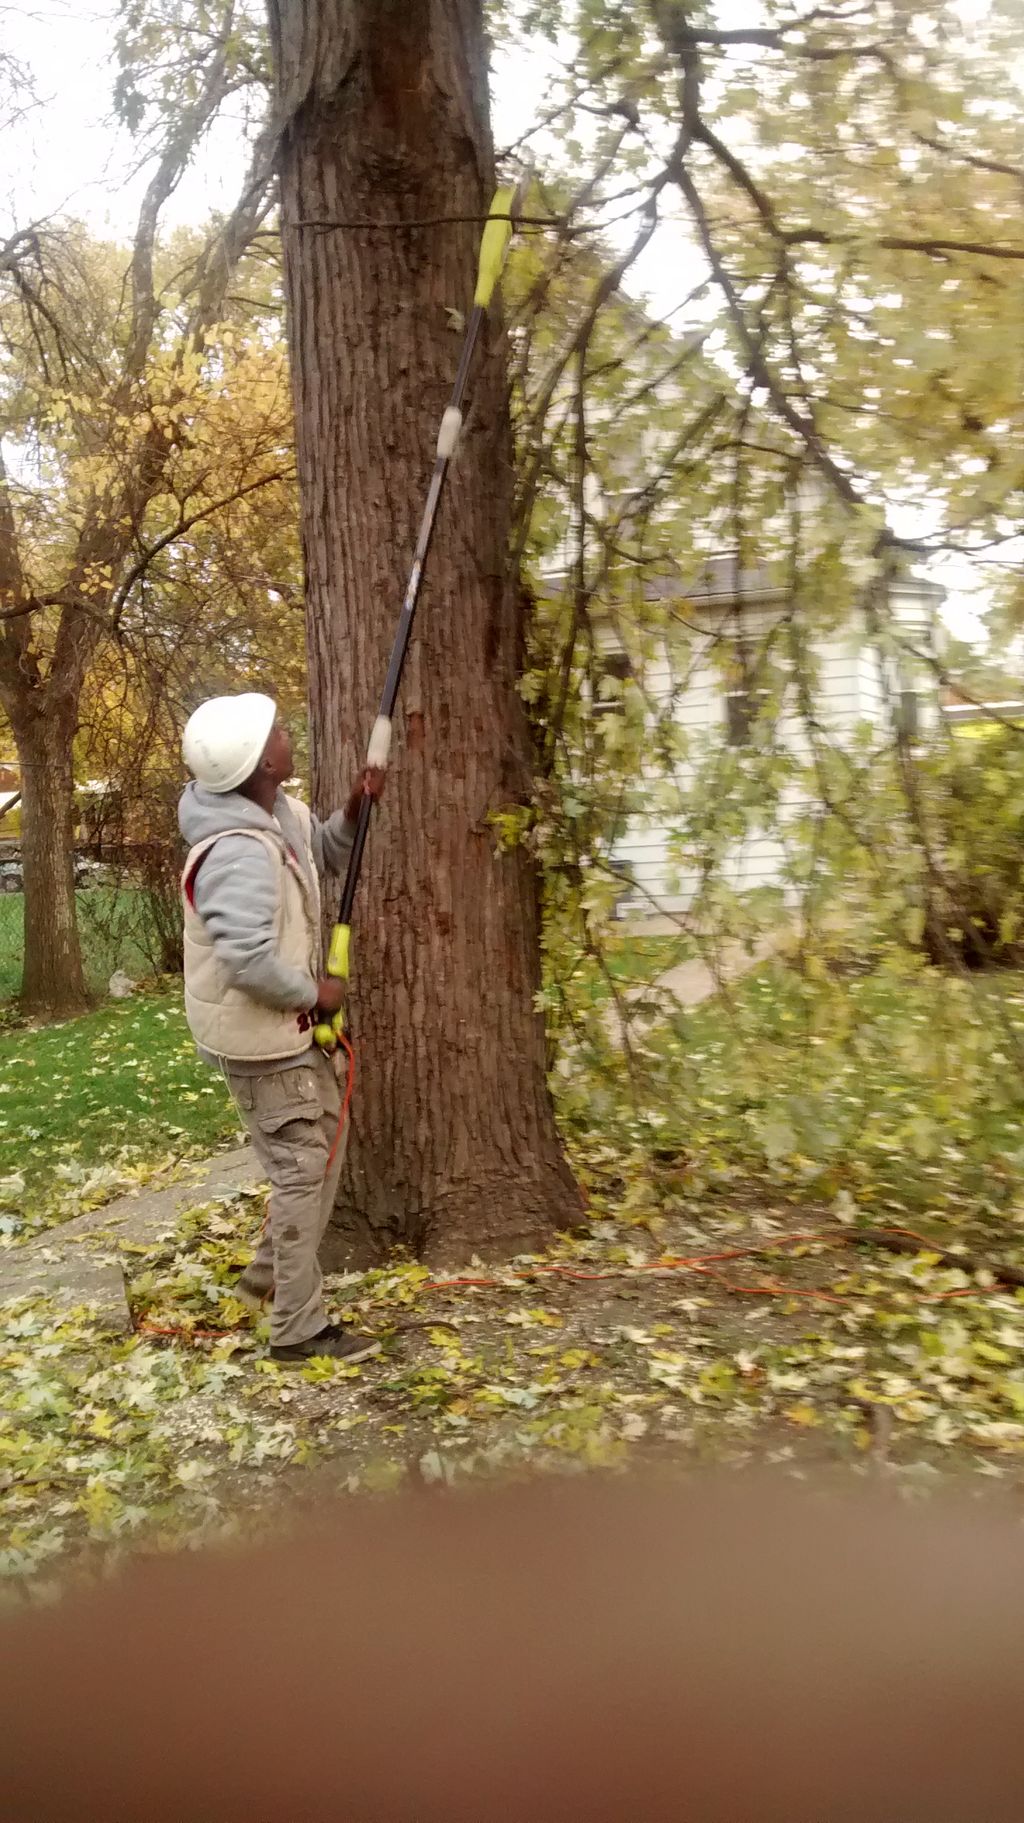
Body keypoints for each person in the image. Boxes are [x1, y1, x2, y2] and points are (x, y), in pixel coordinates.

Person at [178, 691, 384, 1364]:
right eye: (279, 731)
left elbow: (320, 854)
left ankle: (263, 1283)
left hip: (287, 1032)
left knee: (319, 1153)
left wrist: (352, 813)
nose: (289, 734)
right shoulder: (236, 851)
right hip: (262, 1042)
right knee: (301, 1170)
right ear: (262, 761)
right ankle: (297, 1330)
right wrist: (317, 993)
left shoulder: (280, 815)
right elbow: (245, 961)